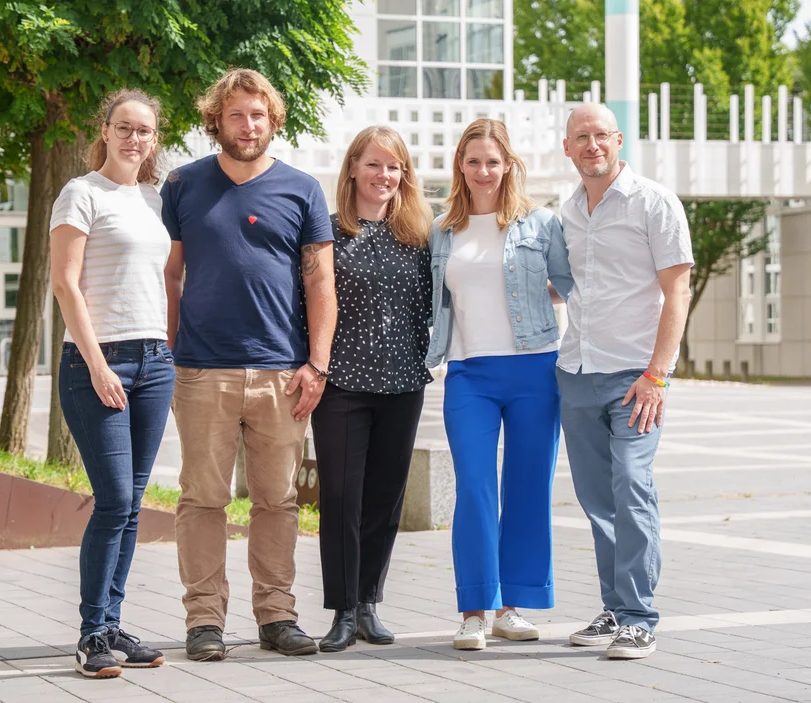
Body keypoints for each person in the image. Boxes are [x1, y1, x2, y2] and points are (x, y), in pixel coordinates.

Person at [160, 68, 337, 662]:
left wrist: (316, 363)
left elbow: (320, 283)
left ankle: (277, 616)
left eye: (258, 114)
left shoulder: (302, 189)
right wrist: (169, 347)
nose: (248, 124)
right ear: (217, 120)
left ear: (273, 120)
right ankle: (205, 621)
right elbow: (170, 272)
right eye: (236, 114)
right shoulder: (183, 185)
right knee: (203, 499)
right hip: (203, 370)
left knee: (277, 501)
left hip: (282, 374)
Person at [426, 118, 574, 651]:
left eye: (493, 161)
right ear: (460, 167)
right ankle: (474, 610)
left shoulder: (540, 224)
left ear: (508, 164)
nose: (483, 171)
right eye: (473, 162)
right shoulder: (441, 230)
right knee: (475, 489)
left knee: (528, 488)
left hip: (536, 369)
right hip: (468, 373)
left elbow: (570, 287)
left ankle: (513, 607)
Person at [557, 104, 693, 660]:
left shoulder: (653, 203)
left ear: (619, 142)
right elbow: (557, 289)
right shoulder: (563, 213)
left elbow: (677, 291)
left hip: (636, 378)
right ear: (567, 148)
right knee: (596, 499)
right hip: (576, 373)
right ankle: (614, 606)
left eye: (601, 136)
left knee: (632, 488)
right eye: (580, 137)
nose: (592, 145)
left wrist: (658, 375)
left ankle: (639, 617)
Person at [49, 89, 174, 678]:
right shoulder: (80, 194)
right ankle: (91, 632)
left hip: (155, 363)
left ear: (154, 139)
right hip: (96, 363)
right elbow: (65, 284)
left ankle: (113, 623)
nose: (133, 139)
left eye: (144, 131)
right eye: (123, 128)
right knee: (115, 499)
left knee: (134, 504)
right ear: (104, 131)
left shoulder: (154, 199)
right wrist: (97, 363)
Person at [312, 127, 434, 652]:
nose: (385, 175)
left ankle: (368, 604)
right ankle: (340, 609)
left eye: (395, 167)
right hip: (342, 382)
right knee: (341, 497)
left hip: (403, 383)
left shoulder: (420, 235)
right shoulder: (329, 233)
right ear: (354, 169)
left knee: (386, 497)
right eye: (375, 164)